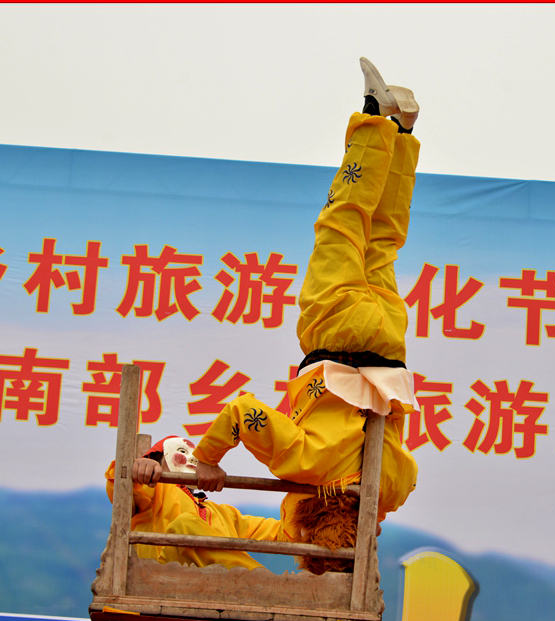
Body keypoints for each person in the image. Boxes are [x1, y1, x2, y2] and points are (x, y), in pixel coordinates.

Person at [119, 57, 421, 575]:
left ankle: (402, 133)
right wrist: (210, 458)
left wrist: (360, 520)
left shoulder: (385, 483)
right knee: (341, 225)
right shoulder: (306, 463)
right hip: (337, 331)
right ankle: (374, 118)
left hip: (389, 350)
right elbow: (244, 413)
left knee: (384, 242)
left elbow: (390, 485)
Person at [105, 435, 280, 570]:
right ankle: (259, 582)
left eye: (195, 455)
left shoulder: (223, 513)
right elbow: (122, 491)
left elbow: (275, 530)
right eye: (182, 452)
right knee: (185, 524)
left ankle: (255, 581)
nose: (193, 459)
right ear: (158, 462)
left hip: (216, 585)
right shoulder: (155, 489)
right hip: (165, 574)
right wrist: (140, 469)